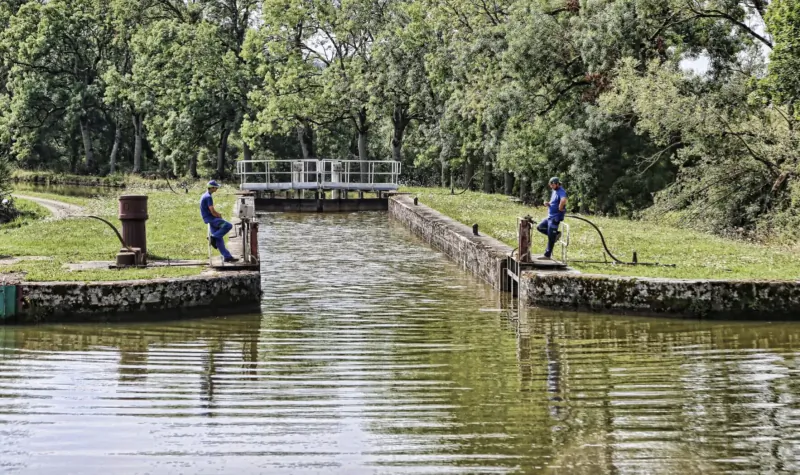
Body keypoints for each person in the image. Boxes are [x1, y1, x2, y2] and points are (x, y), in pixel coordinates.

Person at [200, 180, 238, 263]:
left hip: (208, 219)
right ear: (212, 187)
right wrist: (218, 215)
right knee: (228, 225)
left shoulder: (204, 195)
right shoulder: (208, 197)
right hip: (212, 219)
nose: (217, 188)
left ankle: (227, 256)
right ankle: (213, 237)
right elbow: (212, 210)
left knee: (219, 239)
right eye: (216, 187)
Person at [537, 177, 568, 259]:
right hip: (550, 217)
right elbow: (554, 201)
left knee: (551, 237)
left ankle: (547, 255)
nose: (551, 186)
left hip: (555, 217)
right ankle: (556, 234)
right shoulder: (554, 191)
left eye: (553, 185)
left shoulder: (561, 191)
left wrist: (561, 208)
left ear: (557, 184)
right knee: (540, 227)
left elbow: (564, 200)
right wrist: (548, 203)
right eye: (550, 185)